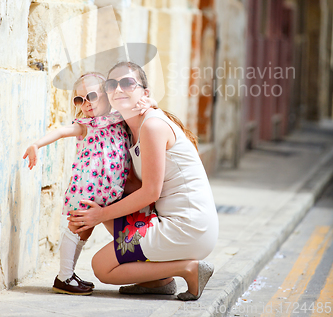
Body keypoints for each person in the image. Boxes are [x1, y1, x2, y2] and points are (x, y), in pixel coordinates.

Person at [68, 62, 219, 300]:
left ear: (145, 93)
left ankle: (188, 268)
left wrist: (99, 216)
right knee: (109, 201)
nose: (119, 89)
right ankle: (158, 281)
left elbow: (150, 193)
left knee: (102, 267)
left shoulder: (152, 125)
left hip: (188, 227)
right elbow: (133, 187)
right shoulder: (128, 130)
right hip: (175, 222)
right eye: (112, 84)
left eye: (128, 83)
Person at [23, 71, 154, 295]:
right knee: (76, 228)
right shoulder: (87, 125)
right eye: (79, 100)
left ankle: (68, 274)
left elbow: (144, 111)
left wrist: (150, 102)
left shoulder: (118, 118)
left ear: (106, 95)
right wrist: (37, 144)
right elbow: (62, 131)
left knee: (85, 231)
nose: (85, 104)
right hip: (86, 189)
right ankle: (63, 276)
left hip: (110, 192)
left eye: (91, 96)